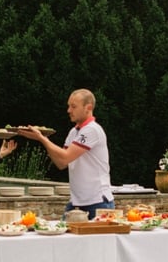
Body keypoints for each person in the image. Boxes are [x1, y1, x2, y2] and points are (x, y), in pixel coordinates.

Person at [18, 88, 114, 220]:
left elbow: (65, 157)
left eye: (73, 106)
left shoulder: (92, 130)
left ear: (88, 107)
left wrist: (42, 139)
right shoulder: (74, 132)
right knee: (62, 231)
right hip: (77, 201)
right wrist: (42, 140)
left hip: (97, 201)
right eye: (69, 106)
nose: (69, 110)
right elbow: (61, 163)